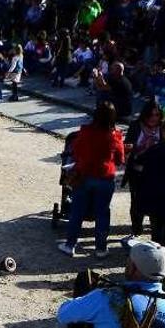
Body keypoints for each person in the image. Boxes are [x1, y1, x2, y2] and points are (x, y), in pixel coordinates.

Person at [57, 239, 165, 328]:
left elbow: (63, 313)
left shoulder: (106, 298)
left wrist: (87, 296)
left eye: (129, 258)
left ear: (132, 267)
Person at [58, 101, 125, 258]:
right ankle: (100, 248)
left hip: (84, 175)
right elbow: (120, 159)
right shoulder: (115, 136)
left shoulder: (86, 132)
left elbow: (76, 150)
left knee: (77, 211)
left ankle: (70, 245)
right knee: (102, 214)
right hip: (105, 178)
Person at [123, 100, 163, 238]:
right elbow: (127, 148)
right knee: (137, 203)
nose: (154, 118)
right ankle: (136, 231)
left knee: (156, 204)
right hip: (138, 172)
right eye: (151, 115)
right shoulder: (135, 126)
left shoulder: (163, 128)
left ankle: (156, 233)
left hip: (157, 173)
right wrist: (144, 147)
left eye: (157, 115)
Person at [138, 117, 165, 250]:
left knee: (157, 231)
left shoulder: (155, 150)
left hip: (158, 195)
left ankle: (158, 258)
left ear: (163, 131)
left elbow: (144, 172)